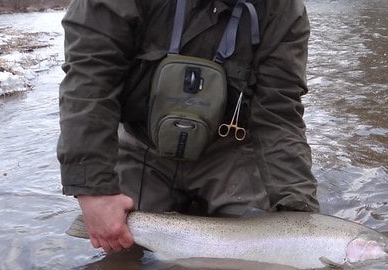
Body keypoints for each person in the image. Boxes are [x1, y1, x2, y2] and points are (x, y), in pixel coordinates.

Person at [57, 0, 319, 253]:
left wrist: (300, 209)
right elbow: (89, 83)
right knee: (123, 248)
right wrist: (94, 191)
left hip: (228, 148)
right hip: (142, 145)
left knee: (272, 254)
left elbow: (279, 115)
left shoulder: (283, 10)